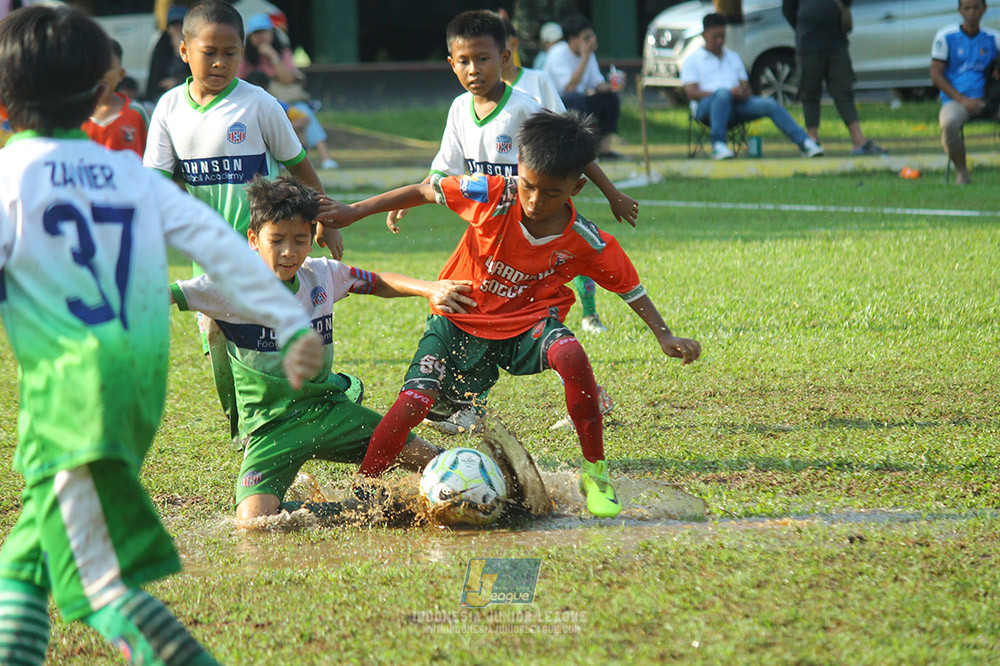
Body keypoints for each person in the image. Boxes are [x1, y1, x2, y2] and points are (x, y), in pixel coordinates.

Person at [0, 7, 323, 665]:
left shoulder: (11, 177)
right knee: (27, 558)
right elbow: (223, 247)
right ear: (99, 92)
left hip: (73, 396)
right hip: (134, 389)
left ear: (5, 99)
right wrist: (290, 320)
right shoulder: (125, 174)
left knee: (96, 587)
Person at [319, 110, 702, 518]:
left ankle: (595, 474)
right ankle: (365, 488)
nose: (535, 201)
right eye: (529, 186)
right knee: (414, 401)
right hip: (459, 317)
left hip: (526, 326)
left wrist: (664, 335)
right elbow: (426, 189)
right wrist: (355, 211)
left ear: (578, 186)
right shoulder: (490, 194)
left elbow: (630, 288)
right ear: (518, 168)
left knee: (571, 354)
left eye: (551, 193)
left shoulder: (586, 239)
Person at [170, 177, 477, 527]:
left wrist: (429, 289)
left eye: (300, 240)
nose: (289, 252)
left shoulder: (321, 275)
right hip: (272, 427)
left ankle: (486, 486)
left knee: (435, 460)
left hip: (330, 411)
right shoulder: (226, 285)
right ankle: (367, 513)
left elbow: (377, 282)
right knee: (253, 521)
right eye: (277, 241)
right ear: (253, 240)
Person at [391, 10, 637, 434]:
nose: (474, 69)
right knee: (480, 310)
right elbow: (442, 170)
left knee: (541, 303)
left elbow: (571, 146)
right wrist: (413, 196)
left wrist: (612, 192)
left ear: (502, 58)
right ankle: (469, 402)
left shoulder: (523, 108)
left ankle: (588, 388)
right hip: (489, 233)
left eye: (483, 59)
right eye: (464, 61)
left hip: (532, 226)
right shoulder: (458, 110)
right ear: (451, 62)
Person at [144, 0, 343, 442]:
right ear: (183, 51)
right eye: (208, 51)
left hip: (265, 248)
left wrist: (326, 219)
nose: (219, 62)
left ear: (242, 55)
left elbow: (300, 167)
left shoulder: (259, 104)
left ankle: (273, 428)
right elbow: (153, 186)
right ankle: (245, 423)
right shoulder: (169, 109)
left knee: (264, 343)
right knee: (216, 339)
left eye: (230, 53)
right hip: (207, 254)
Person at [500, 16, 608, 338]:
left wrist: (611, 192)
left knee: (571, 248)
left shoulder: (536, 83)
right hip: (504, 201)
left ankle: (588, 314)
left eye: (492, 51)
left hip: (543, 192)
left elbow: (570, 138)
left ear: (511, 48)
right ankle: (510, 326)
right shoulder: (470, 101)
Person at [682, 13, 824, 160]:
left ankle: (806, 143)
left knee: (770, 104)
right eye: (715, 37)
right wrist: (725, 93)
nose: (719, 41)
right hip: (706, 109)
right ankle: (718, 145)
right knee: (722, 94)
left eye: (722, 36)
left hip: (736, 106)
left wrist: (741, 93)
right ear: (705, 35)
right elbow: (692, 93)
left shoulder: (732, 57)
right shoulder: (693, 60)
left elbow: (746, 88)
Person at [781, 0, 886, 156]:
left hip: (836, 42)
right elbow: (788, 9)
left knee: (843, 91)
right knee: (809, 92)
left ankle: (858, 141)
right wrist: (804, 26)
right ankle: (812, 140)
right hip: (808, 43)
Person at [239, 12, 339, 169]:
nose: (261, 37)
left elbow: (287, 79)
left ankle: (325, 158)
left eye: (264, 32)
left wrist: (272, 56)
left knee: (303, 113)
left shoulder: (282, 51)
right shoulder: (245, 56)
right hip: (258, 102)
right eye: (256, 33)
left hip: (286, 101)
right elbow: (240, 80)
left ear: (271, 33)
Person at [931, 0, 1000, 185]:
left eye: (976, 7)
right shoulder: (946, 36)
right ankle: (962, 172)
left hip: (989, 100)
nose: (971, 12)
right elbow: (935, 74)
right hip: (957, 101)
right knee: (949, 124)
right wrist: (961, 99)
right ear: (959, 10)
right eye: (967, 8)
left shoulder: (993, 38)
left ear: (984, 9)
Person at [542, 13, 622, 159]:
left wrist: (612, 87)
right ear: (572, 40)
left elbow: (597, 83)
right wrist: (585, 57)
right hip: (558, 104)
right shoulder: (558, 53)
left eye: (592, 37)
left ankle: (604, 148)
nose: (591, 42)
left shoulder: (589, 55)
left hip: (580, 101)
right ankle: (580, 149)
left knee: (610, 99)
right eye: (586, 38)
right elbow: (569, 87)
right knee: (575, 98)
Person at [82, 39, 148, 156]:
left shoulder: (136, 112)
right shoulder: (75, 116)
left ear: (121, 74)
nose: (102, 73)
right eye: (96, 66)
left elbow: (153, 159)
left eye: (108, 67)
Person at [145, 4, 190, 102]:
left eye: (180, 25)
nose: (177, 29)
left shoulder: (195, 46)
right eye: (174, 25)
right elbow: (154, 78)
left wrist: (177, 81)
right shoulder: (161, 46)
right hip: (163, 95)